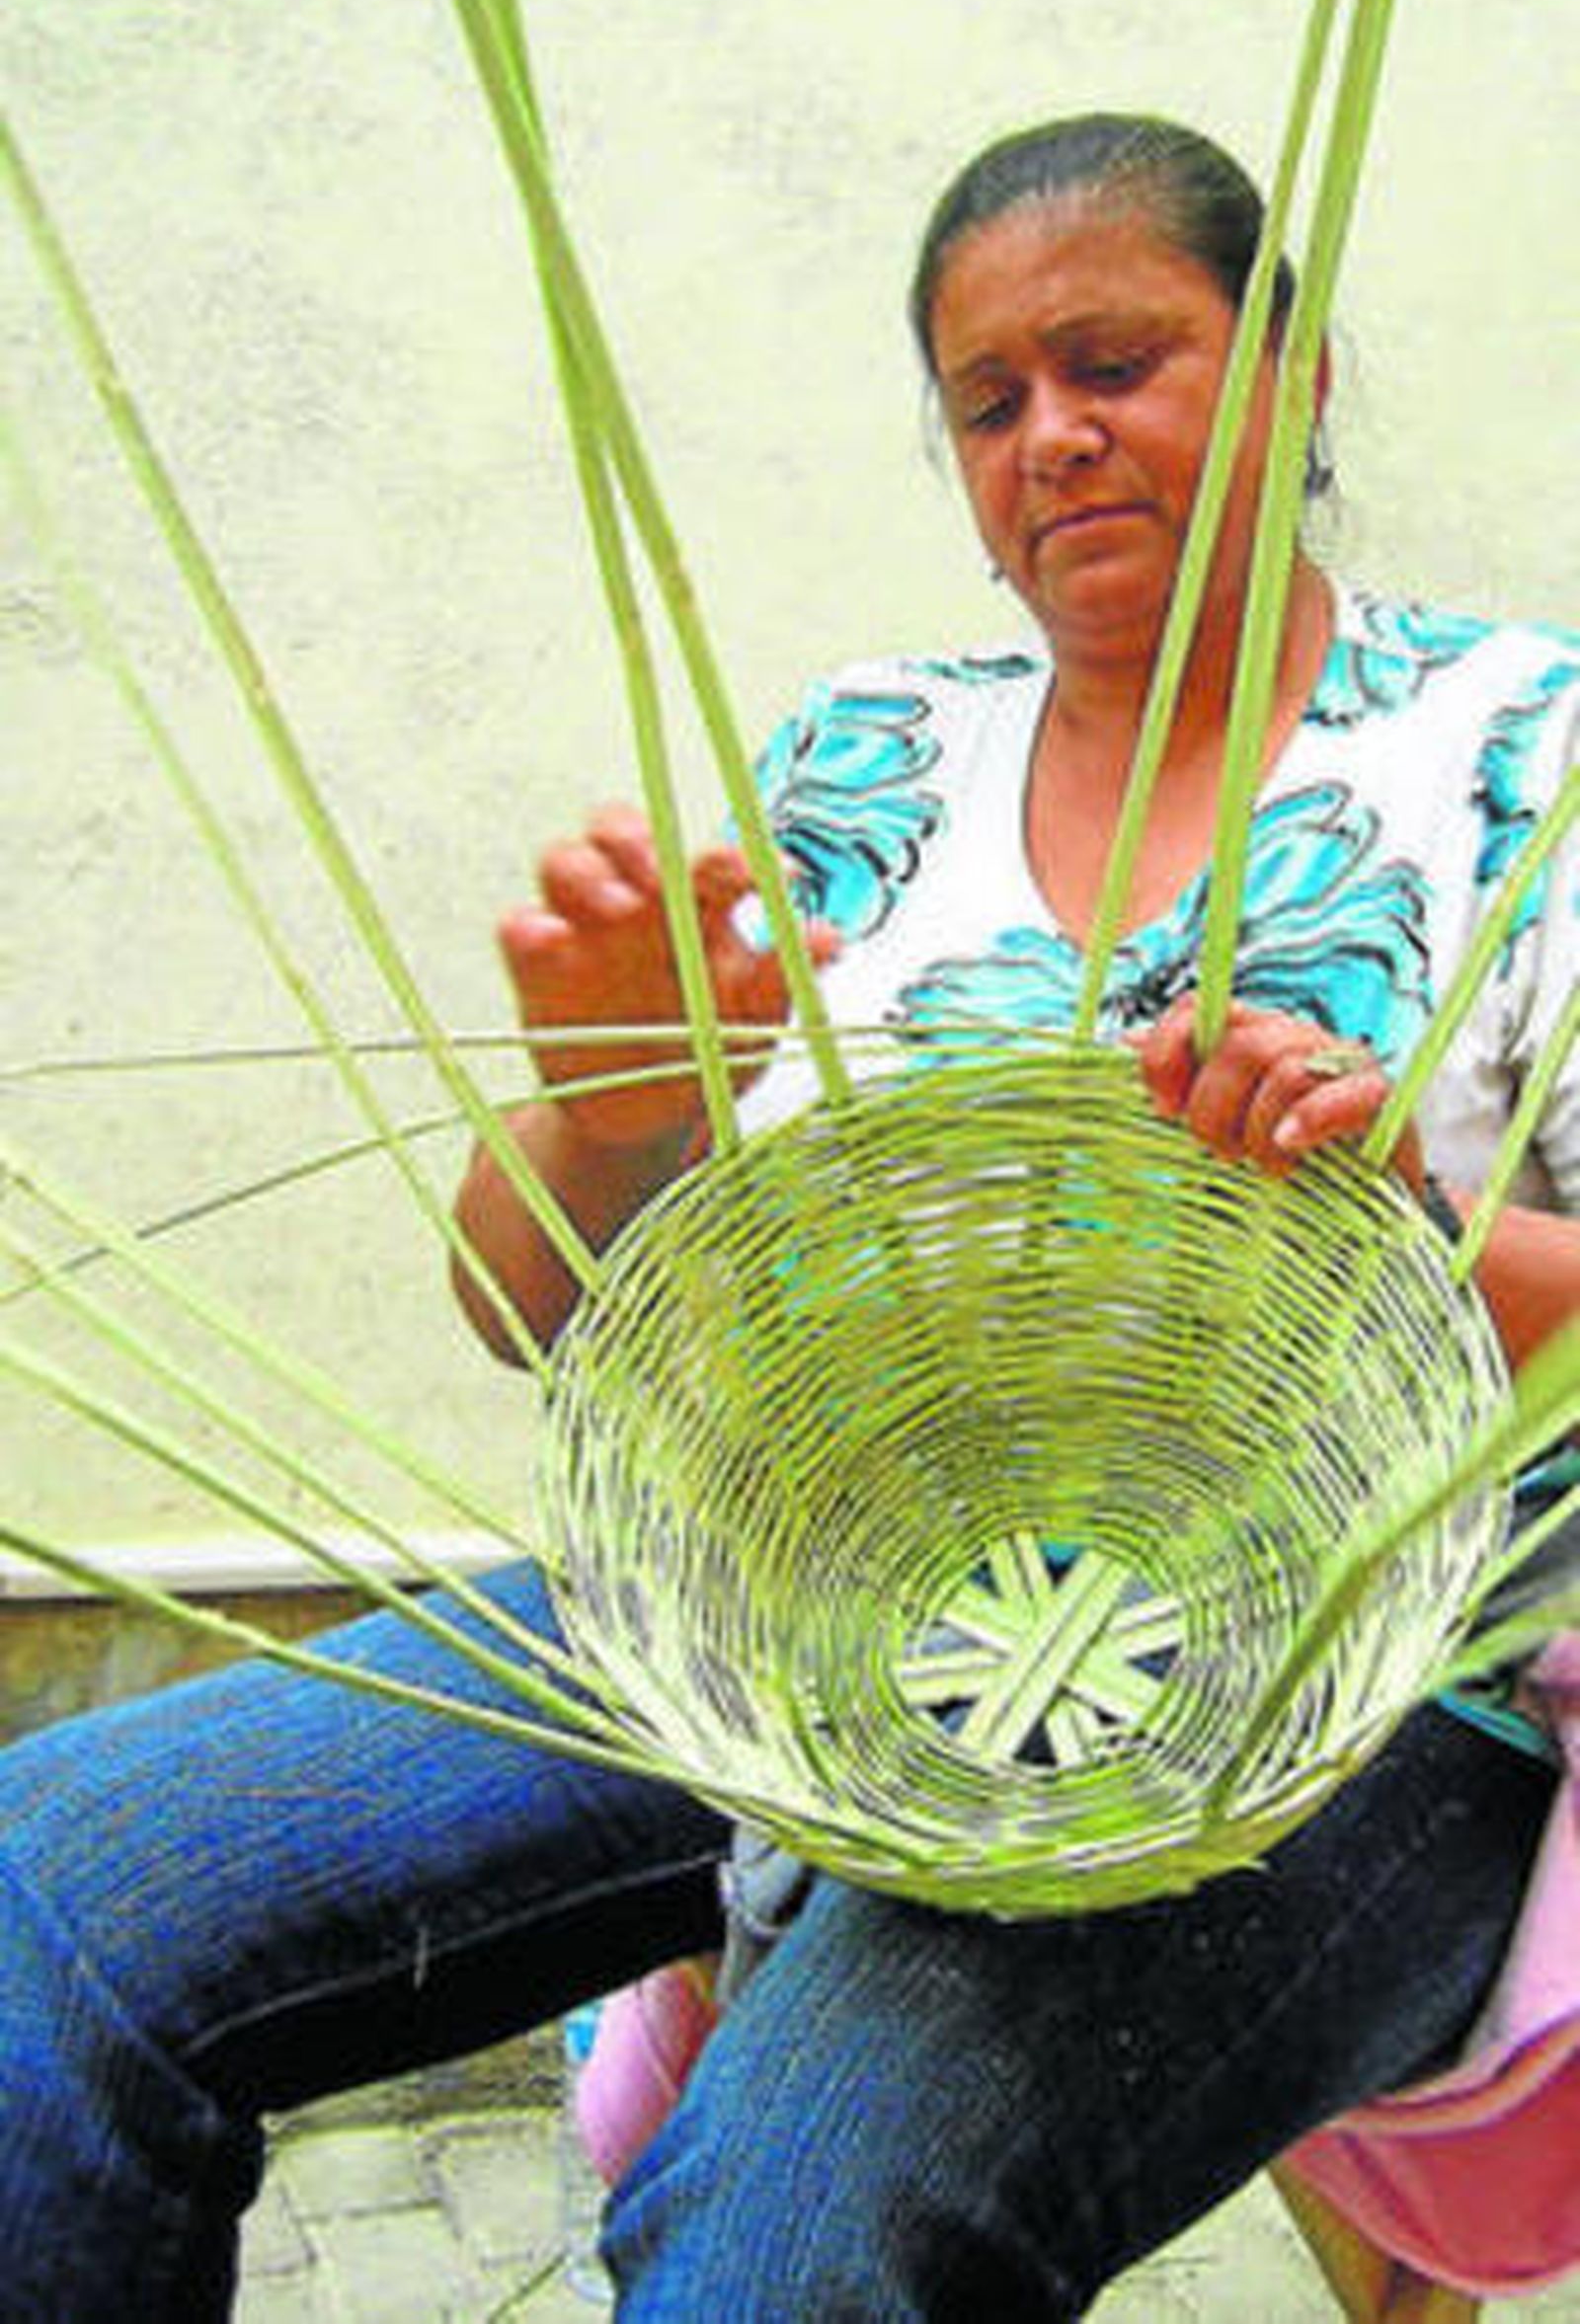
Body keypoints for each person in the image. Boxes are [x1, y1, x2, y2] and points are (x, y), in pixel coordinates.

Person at [0, 114, 1575, 2319]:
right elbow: (519, 1298)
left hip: (1365, 1691)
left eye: (1114, 361)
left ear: (1291, 373)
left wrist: (1403, 1224)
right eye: (986, 400)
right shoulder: (871, 756)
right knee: (54, 1892)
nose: (1050, 436)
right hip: (791, 1621)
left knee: (786, 2226)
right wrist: (611, 1105)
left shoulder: (1521, 755)